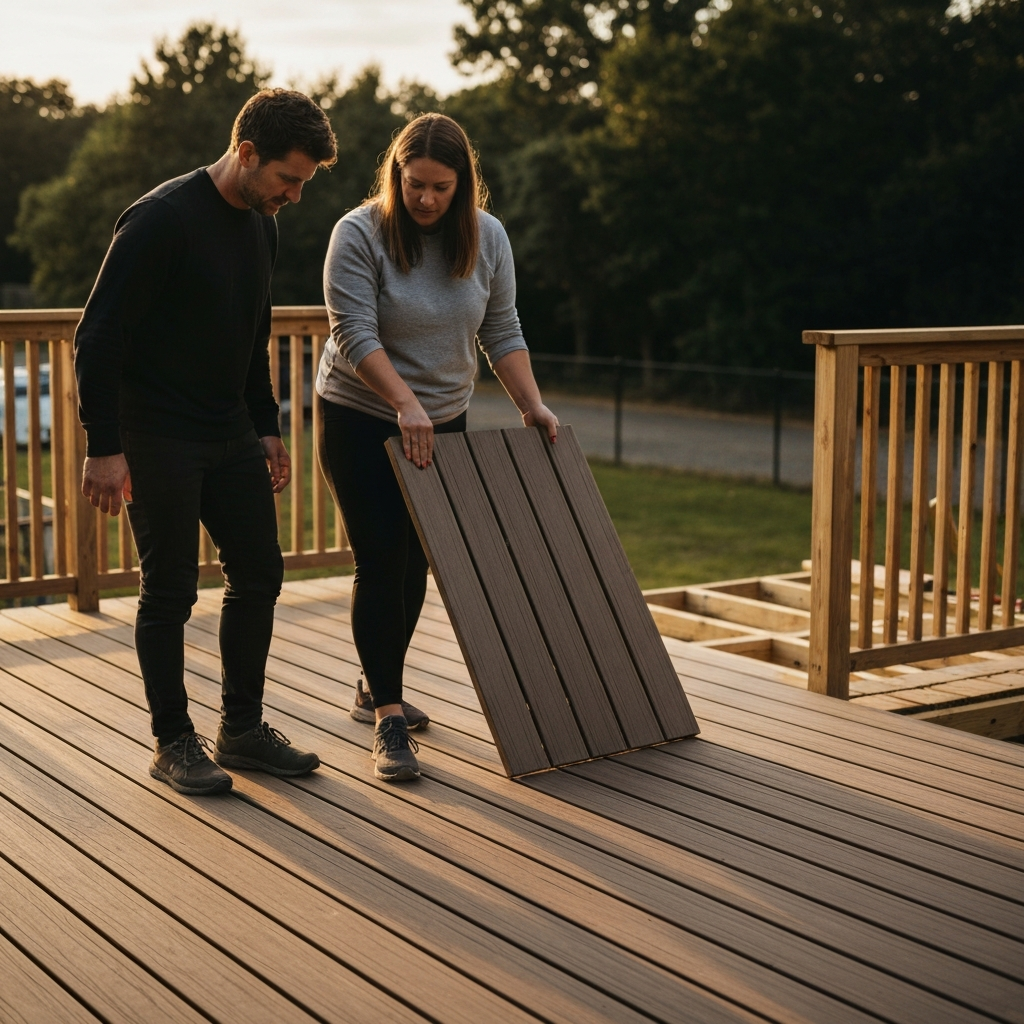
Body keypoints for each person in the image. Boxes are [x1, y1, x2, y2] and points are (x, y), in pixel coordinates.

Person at [75, 89, 337, 795]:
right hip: (155, 432)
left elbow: (252, 336)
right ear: (247, 153)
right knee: (169, 591)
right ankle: (172, 741)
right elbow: (96, 336)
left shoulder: (262, 224)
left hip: (227, 431)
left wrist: (266, 425)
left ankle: (242, 730)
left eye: (304, 182)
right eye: (289, 178)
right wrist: (104, 447)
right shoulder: (162, 219)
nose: (295, 195)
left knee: (260, 573)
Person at [317, 113, 559, 782]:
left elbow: (502, 329)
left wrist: (529, 403)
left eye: (440, 188)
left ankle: (375, 679)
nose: (425, 199)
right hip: (361, 412)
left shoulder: (487, 238)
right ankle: (389, 719)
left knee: (419, 559)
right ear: (395, 175)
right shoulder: (358, 233)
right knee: (378, 553)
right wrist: (402, 402)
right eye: (414, 184)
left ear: (462, 185)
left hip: (441, 415)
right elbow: (352, 333)